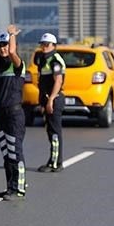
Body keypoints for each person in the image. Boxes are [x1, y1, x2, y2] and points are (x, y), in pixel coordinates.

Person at [0, 25, 27, 201]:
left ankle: (19, 188)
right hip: (1, 115)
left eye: (5, 44)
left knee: (14, 151)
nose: (3, 48)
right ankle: (10, 187)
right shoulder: (0, 70)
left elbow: (12, 52)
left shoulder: (17, 66)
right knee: (6, 153)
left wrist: (12, 35)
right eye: (0, 45)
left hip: (14, 115)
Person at [35, 33, 66, 172]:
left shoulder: (55, 60)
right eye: (42, 44)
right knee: (50, 131)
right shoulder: (43, 59)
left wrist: (51, 100)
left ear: (54, 45)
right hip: (47, 98)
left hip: (54, 99)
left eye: (46, 44)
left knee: (54, 132)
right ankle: (53, 160)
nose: (44, 47)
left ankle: (55, 163)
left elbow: (58, 81)